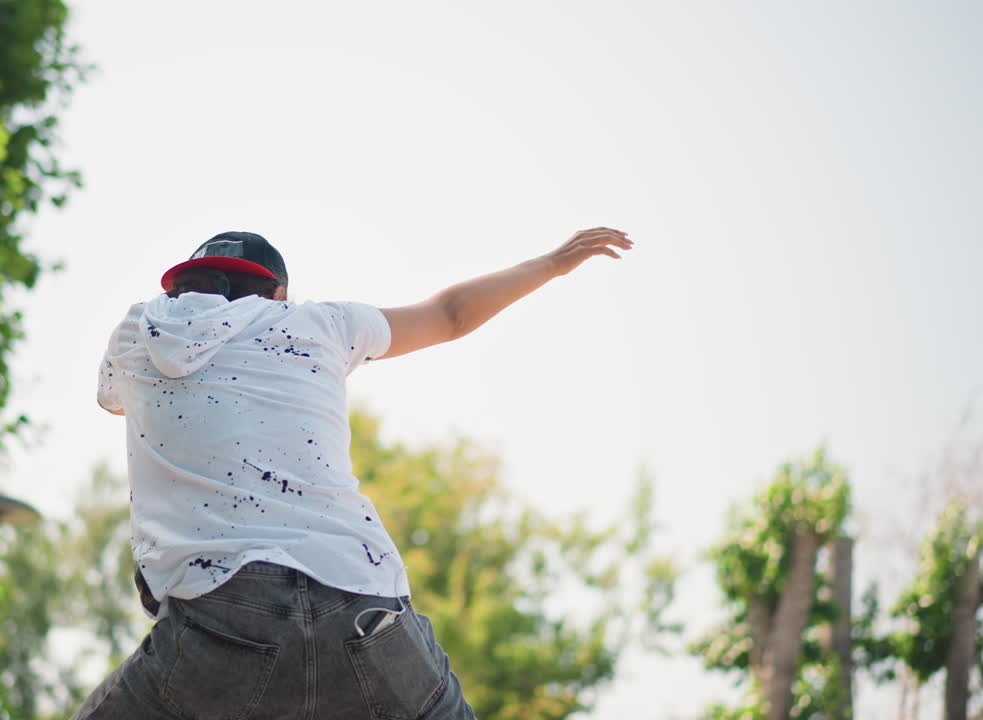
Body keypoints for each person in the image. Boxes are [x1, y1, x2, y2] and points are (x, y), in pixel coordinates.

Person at [77, 227, 633, 720]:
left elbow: (113, 403)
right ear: (277, 293)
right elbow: (451, 314)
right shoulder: (319, 322)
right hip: (363, 607)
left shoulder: (138, 333)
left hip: (220, 622)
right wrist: (552, 263)